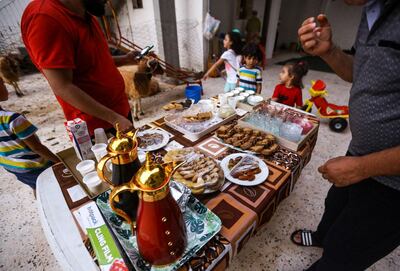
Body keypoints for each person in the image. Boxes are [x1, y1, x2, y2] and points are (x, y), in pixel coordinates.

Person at [291, 1, 400, 270]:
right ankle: (321, 237)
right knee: (335, 205)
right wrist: (329, 52)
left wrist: (362, 168)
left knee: (346, 253)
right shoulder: (371, 8)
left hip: (393, 185)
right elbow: (362, 73)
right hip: (361, 152)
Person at [21, 0, 139, 136]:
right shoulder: (45, 18)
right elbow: (62, 86)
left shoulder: (85, 13)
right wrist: (114, 118)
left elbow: (94, 61)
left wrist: (125, 59)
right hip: (98, 125)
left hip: (118, 113)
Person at [0, 77, 60, 194]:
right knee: (51, 189)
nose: (5, 86)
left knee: (36, 186)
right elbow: (36, 147)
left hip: (12, 166)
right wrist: (58, 161)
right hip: (34, 166)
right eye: (2, 83)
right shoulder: (12, 119)